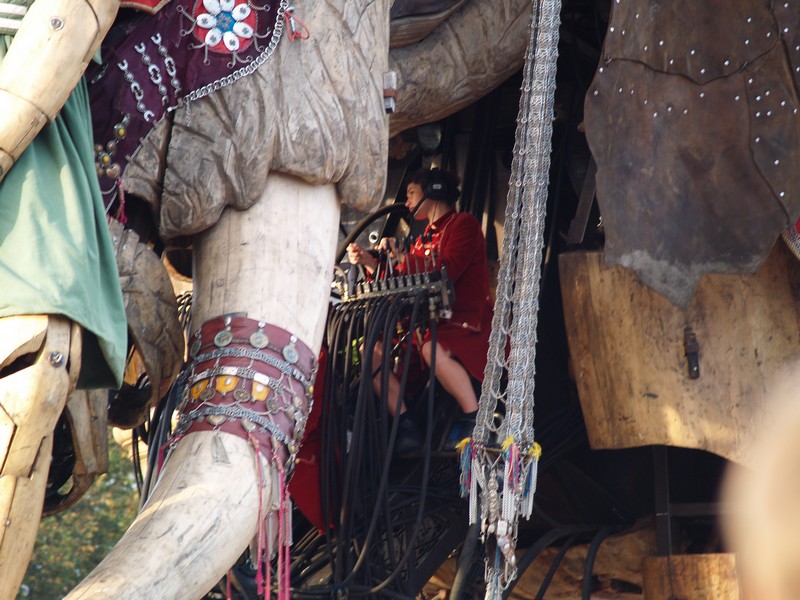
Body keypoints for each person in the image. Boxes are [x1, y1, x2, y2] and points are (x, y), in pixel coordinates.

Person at [347, 168, 493, 454]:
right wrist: (369, 261)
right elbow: (403, 281)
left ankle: (474, 420)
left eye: (412, 193)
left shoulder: (463, 225)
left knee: (432, 350)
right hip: (423, 328)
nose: (408, 201)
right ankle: (406, 425)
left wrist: (403, 256)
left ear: (434, 191)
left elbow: (446, 270)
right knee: (370, 351)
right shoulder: (423, 238)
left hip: (463, 325)